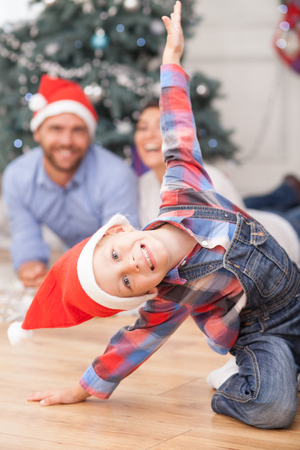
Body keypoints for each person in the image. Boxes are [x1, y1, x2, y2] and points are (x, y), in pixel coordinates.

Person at [10, 2, 300, 429]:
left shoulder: (183, 188)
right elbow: (134, 341)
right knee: (272, 408)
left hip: (296, 288)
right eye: (127, 282)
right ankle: (245, 380)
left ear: (121, 228)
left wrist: (171, 63)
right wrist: (86, 386)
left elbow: (177, 128)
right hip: (262, 332)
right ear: (140, 293)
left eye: (115, 256)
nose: (131, 264)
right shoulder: (173, 293)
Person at [2, 75, 139, 289]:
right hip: (72, 264)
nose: (67, 141)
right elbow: (24, 232)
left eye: (78, 130)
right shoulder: (18, 176)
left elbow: (122, 246)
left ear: (90, 136)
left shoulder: (116, 175)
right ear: (37, 132)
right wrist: (31, 265)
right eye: (56, 129)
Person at [134, 100, 300, 264]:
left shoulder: (208, 181)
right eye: (143, 127)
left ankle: (287, 192)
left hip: (279, 241)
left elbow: (242, 246)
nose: (149, 135)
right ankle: (288, 191)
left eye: (162, 128)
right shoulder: (141, 186)